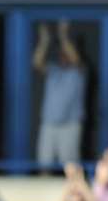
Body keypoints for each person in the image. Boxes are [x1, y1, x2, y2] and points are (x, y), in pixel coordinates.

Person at [34, 20, 87, 169]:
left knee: (71, 166)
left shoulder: (79, 72)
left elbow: (75, 59)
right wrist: (44, 41)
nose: (63, 56)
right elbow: (37, 63)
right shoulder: (53, 70)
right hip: (49, 123)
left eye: (66, 53)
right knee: (44, 163)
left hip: (70, 124)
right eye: (61, 54)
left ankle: (73, 192)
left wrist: (63, 35)